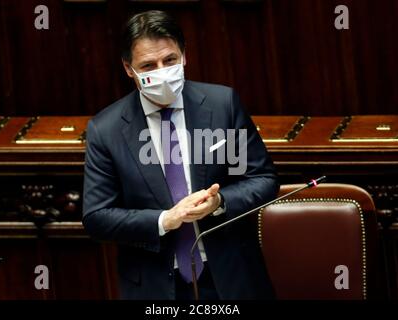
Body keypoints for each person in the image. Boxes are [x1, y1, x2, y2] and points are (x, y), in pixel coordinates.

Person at [83, 10, 279, 300]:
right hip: (155, 284)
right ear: (128, 69)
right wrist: (165, 219)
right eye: (148, 65)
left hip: (229, 275)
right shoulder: (106, 130)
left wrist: (219, 202)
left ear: (184, 56)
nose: (162, 71)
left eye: (170, 60)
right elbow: (97, 216)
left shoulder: (222, 105)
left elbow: (262, 180)